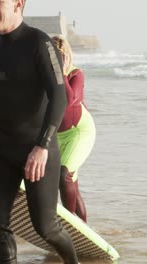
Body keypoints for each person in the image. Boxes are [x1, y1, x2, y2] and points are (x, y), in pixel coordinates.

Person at [0, 0, 79, 263]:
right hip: (1, 151)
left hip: (37, 149)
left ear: (18, 4)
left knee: (46, 227)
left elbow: (59, 97)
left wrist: (42, 146)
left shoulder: (39, 43)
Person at [52, 35, 96, 223]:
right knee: (71, 183)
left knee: (64, 175)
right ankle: (84, 228)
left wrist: (61, 71)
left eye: (58, 55)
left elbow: (69, 100)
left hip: (79, 132)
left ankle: (68, 224)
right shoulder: (45, 77)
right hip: (58, 135)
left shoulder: (75, 74)